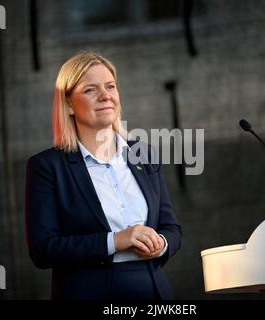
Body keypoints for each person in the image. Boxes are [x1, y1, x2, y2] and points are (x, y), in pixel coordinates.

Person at [25, 52, 182, 300]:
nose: (105, 95)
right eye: (90, 89)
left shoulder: (143, 153)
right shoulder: (47, 166)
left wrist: (161, 243)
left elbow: (172, 228)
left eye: (110, 86)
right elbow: (43, 249)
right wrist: (116, 240)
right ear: (68, 104)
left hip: (153, 290)